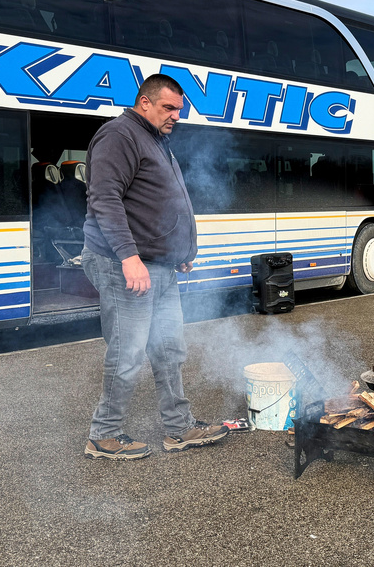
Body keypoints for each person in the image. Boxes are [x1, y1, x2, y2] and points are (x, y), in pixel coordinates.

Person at [82, 73, 228, 460]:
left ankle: (179, 429)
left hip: (160, 266)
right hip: (123, 265)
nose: (176, 116)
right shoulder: (120, 135)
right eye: (169, 107)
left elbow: (158, 201)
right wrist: (130, 258)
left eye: (179, 109)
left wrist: (179, 249)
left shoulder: (156, 141)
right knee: (127, 352)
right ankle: (104, 435)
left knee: (168, 349)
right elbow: (105, 198)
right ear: (144, 102)